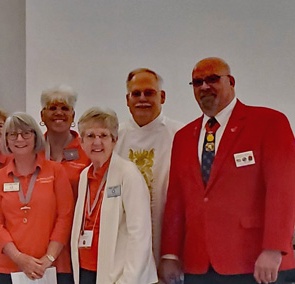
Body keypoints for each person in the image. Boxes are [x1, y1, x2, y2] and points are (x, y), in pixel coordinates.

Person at [161, 58, 295, 284]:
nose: (204, 86)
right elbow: (176, 200)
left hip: (255, 262)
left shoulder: (269, 122)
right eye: (197, 82)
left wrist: (273, 249)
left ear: (231, 82)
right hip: (198, 264)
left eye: (213, 79)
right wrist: (170, 254)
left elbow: (284, 190)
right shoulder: (183, 137)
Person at [71, 107, 156, 284]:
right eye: (91, 136)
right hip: (87, 269)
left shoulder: (128, 174)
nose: (97, 142)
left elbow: (140, 235)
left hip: (120, 275)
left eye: (104, 136)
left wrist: (129, 279)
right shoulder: (84, 176)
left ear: (114, 140)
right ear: (81, 142)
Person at [0, 112, 73, 284]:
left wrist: (48, 258)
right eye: (13, 134)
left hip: (52, 265)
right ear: (6, 140)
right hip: (10, 266)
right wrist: (19, 258)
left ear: (35, 136)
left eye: (26, 133)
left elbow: (65, 216)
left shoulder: (55, 171)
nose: (20, 139)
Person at [114, 68, 181, 267]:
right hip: (124, 242)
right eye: (136, 94)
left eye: (149, 93)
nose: (142, 99)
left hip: (168, 240)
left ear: (162, 96)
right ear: (127, 99)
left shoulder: (181, 135)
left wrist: (173, 255)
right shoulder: (114, 137)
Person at [40, 85, 90, 195]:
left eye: (64, 108)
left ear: (73, 115)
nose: (59, 113)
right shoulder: (32, 150)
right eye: (53, 108)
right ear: (42, 115)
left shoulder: (87, 149)